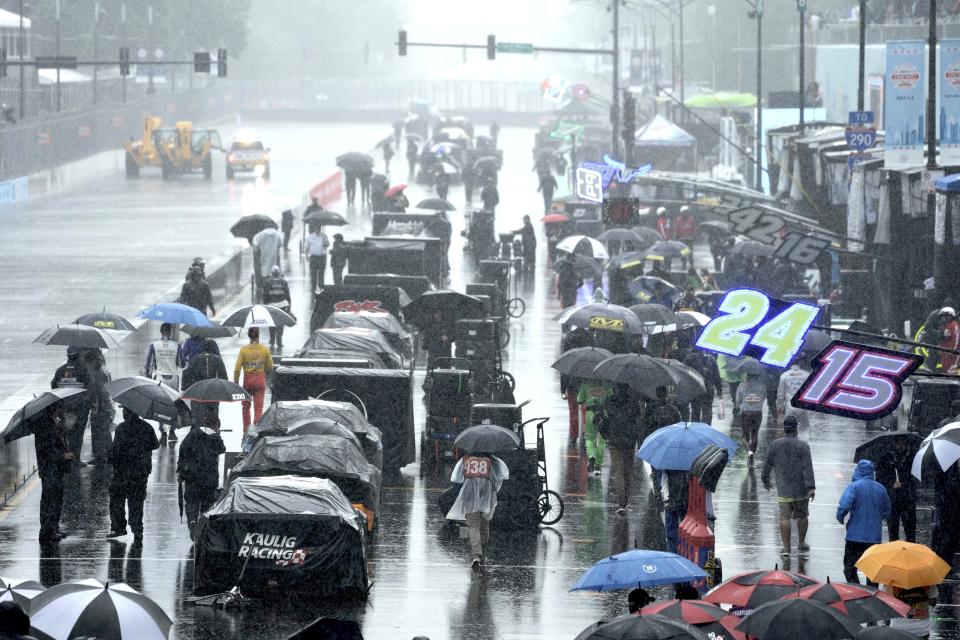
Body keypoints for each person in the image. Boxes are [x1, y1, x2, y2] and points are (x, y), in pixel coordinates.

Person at [761, 416, 816, 557]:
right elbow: (808, 467)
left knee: (784, 518)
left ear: (784, 428)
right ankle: (801, 543)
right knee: (803, 516)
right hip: (801, 489)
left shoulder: (775, 445)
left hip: (783, 489)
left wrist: (765, 479)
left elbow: (767, 464)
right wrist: (811, 487)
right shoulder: (803, 446)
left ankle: (786, 549)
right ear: (796, 429)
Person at [446, 451, 509, 570]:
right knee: (484, 525)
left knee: (473, 526)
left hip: (469, 496)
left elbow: (456, 478)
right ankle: (483, 554)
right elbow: (501, 477)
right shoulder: (493, 461)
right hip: (487, 496)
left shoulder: (465, 459)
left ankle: (476, 556)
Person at [105, 408, 159, 545]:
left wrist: (109, 456)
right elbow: (155, 445)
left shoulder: (121, 429)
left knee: (117, 499)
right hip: (140, 473)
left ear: (127, 413)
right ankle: (137, 531)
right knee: (136, 502)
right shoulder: (147, 428)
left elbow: (115, 451)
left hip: (123, 472)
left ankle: (119, 527)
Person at [837, 459, 890, 584]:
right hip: (874, 538)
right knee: (872, 571)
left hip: (854, 536)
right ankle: (871, 594)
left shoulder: (854, 487)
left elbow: (844, 505)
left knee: (850, 567)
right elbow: (887, 511)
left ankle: (856, 590)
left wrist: (840, 517)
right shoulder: (881, 488)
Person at [600, 384, 644, 514]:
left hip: (614, 440)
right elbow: (638, 419)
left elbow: (605, 418)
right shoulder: (633, 402)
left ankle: (621, 502)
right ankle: (625, 501)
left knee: (618, 472)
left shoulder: (609, 401)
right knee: (627, 471)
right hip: (629, 441)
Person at [177, 422, 226, 540]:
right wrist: (217, 435)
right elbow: (222, 449)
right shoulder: (214, 437)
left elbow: (182, 452)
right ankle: (203, 527)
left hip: (192, 476)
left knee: (191, 501)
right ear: (214, 425)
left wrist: (180, 471)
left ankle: (192, 521)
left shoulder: (191, 436)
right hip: (210, 477)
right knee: (207, 503)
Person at [33, 404, 73, 543]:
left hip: (55, 469)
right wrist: (63, 456)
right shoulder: (45, 426)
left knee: (57, 499)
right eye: (60, 408)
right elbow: (47, 451)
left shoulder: (53, 423)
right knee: (50, 501)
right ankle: (47, 531)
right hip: (50, 470)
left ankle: (53, 528)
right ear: (54, 409)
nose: (62, 411)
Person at [51, 347, 90, 466]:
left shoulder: (60, 370)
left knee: (65, 434)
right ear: (78, 356)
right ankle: (75, 459)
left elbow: (53, 386)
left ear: (68, 356)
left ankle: (66, 458)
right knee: (77, 435)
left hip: (64, 408)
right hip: (80, 409)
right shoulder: (83, 370)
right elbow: (91, 387)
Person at [876, 437, 919, 542]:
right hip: (892, 500)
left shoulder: (912, 458)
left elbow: (916, 478)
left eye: (903, 443)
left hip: (908, 499)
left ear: (906, 444)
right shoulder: (886, 458)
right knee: (893, 532)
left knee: (910, 532)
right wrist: (891, 484)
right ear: (894, 444)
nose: (900, 446)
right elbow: (880, 478)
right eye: (898, 443)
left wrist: (904, 484)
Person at [234, 327, 274, 433]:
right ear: (258, 335)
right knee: (258, 409)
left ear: (249, 335)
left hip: (247, 380)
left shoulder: (244, 350)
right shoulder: (264, 349)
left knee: (245, 407)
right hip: (260, 379)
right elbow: (270, 366)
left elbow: (237, 367)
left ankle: (246, 430)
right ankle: (256, 431)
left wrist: (236, 382)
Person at [182, 338, 228, 428]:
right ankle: (213, 433)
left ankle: (198, 435)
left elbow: (187, 374)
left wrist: (186, 387)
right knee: (213, 419)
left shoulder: (195, 359)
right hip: (213, 394)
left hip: (197, 393)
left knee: (197, 420)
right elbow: (224, 378)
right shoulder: (218, 359)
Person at [84, 349, 114, 466]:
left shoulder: (98, 373)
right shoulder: (103, 370)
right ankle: (107, 455)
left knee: (98, 433)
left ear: (92, 361)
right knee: (104, 432)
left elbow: (101, 392)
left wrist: (95, 408)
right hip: (104, 407)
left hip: (101, 407)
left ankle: (100, 456)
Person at [577, 379, 612, 475]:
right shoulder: (607, 385)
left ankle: (591, 456)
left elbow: (579, 400)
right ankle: (598, 466)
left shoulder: (585, 385)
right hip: (603, 414)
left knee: (589, 438)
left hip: (590, 414)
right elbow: (611, 398)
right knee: (602, 440)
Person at [777, 362, 812, 437]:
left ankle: (790, 442)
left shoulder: (784, 375)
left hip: (790, 405)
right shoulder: (807, 374)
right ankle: (803, 444)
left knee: (789, 427)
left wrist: (780, 407)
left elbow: (780, 394)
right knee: (804, 428)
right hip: (803, 404)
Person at [736, 372, 766, 460]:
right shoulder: (762, 386)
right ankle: (752, 452)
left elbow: (738, 399)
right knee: (754, 434)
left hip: (745, 413)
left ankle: (749, 451)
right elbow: (764, 397)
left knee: (745, 435)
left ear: (747, 375)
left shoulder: (741, 385)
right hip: (757, 413)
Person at [261, 265, 292, 349]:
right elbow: (288, 296)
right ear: (279, 273)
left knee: (271, 324)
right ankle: (279, 341)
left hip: (271, 306)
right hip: (282, 306)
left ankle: (272, 340)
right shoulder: (284, 282)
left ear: (272, 273)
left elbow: (265, 295)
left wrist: (265, 305)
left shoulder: (267, 282)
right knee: (280, 324)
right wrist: (289, 307)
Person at [663, 469, 689, 553]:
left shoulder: (669, 463)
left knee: (672, 535)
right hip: (683, 502)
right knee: (684, 533)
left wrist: (666, 500)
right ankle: (682, 554)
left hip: (673, 502)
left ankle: (673, 555)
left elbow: (664, 482)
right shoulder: (690, 464)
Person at [304, 225, 330, 292]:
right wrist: (306, 256)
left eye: (318, 229)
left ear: (320, 229)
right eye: (316, 229)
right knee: (313, 273)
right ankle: (313, 287)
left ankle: (321, 287)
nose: (317, 230)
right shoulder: (310, 237)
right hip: (313, 257)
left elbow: (327, 245)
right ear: (314, 229)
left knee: (321, 273)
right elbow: (307, 247)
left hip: (322, 257)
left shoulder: (324, 236)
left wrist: (325, 243)